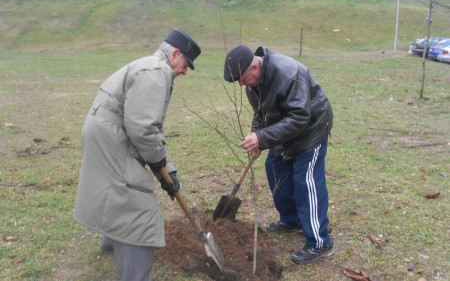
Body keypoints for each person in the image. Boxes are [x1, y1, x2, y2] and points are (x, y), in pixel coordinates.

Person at [74, 28, 202, 281]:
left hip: (105, 135)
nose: (185, 71)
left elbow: (148, 128)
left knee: (116, 192)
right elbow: (142, 129)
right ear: (175, 54)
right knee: (137, 210)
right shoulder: (157, 72)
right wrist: (159, 163)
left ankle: (111, 243)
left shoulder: (147, 66)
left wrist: (169, 170)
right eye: (186, 64)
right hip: (114, 139)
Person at [223, 45, 334, 264]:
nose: (242, 84)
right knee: (274, 168)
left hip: (311, 128)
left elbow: (300, 117)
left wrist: (263, 138)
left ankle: (320, 241)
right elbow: (261, 114)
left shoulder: (288, 73)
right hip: (286, 131)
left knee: (306, 181)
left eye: (243, 78)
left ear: (255, 65)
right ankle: (291, 219)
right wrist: (256, 137)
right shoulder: (252, 84)